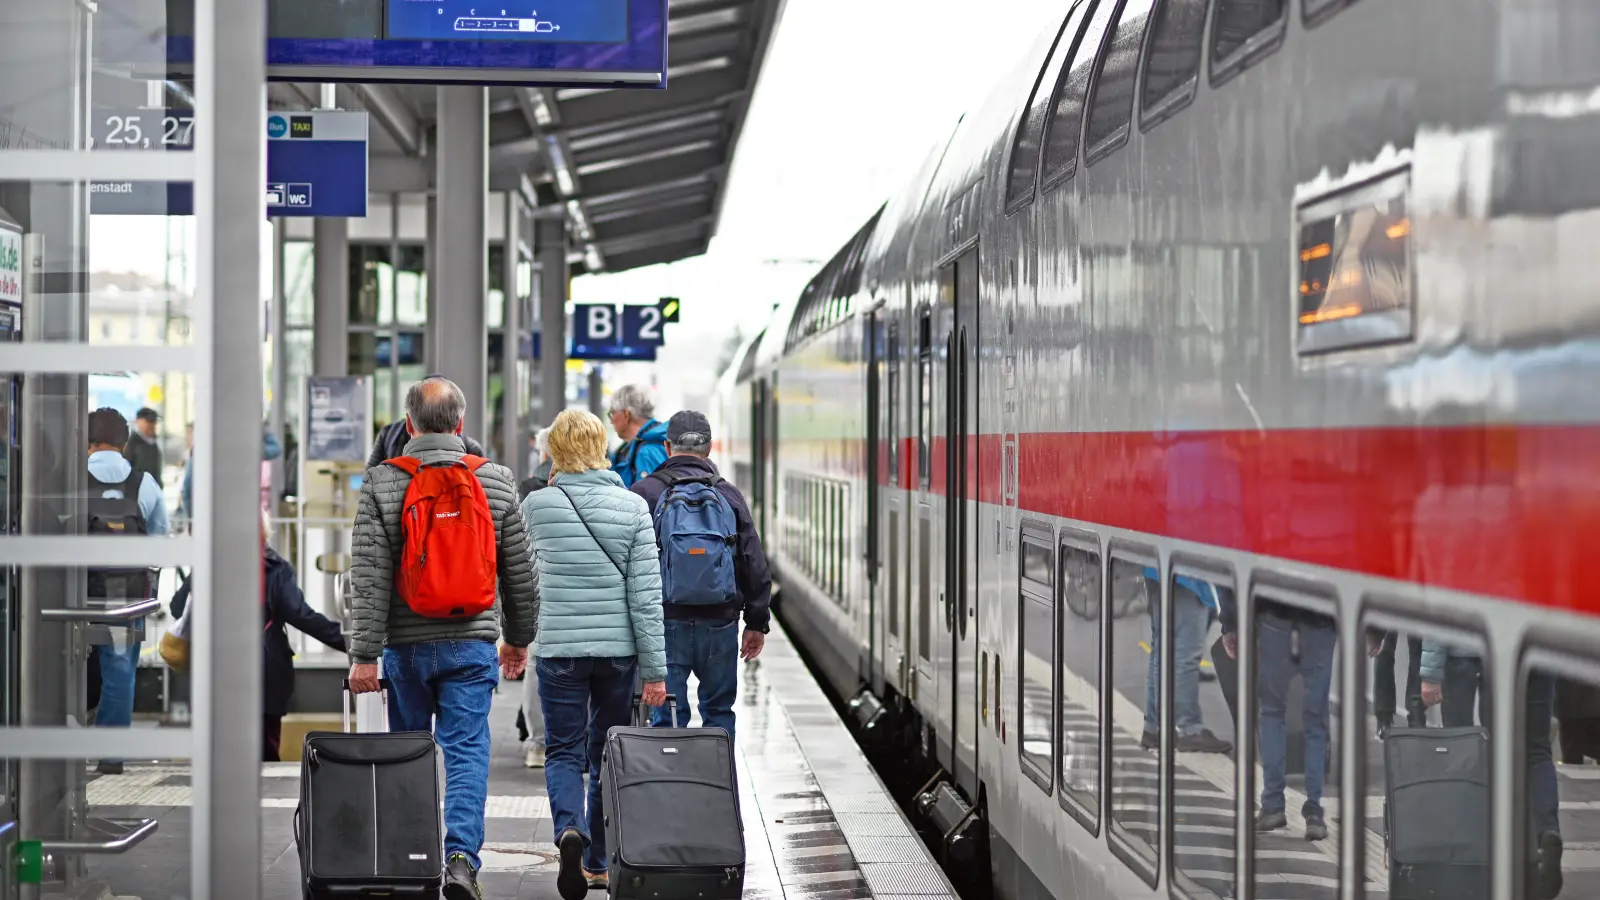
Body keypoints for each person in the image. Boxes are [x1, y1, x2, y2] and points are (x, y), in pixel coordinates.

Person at [347, 376, 540, 900]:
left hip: (406, 648)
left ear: (409, 425)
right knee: (467, 753)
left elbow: (369, 576)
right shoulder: (495, 480)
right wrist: (518, 639)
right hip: (471, 644)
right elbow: (521, 573)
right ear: (461, 423)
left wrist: (364, 655)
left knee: (408, 752)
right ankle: (460, 861)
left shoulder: (383, 481)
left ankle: (411, 859)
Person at [520, 409, 666, 900]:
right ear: (602, 447)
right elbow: (646, 598)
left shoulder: (537, 506)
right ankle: (598, 862)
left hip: (559, 649)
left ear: (555, 451)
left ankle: (569, 828)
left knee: (563, 750)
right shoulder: (633, 507)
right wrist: (655, 672)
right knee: (606, 750)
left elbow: (522, 581)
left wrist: (513, 639)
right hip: (617, 654)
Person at [630, 410, 771, 742]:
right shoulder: (729, 495)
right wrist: (756, 622)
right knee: (719, 712)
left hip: (664, 622)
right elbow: (754, 562)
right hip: (720, 622)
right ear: (708, 449)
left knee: (667, 713)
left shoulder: (643, 493)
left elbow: (627, 564)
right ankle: (718, 775)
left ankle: (670, 774)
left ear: (667, 447)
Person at [1419, 643, 1564, 899]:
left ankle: (1483, 850)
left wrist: (1430, 672)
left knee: (1489, 750)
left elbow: (1438, 620)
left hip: (1488, 652)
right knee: (1538, 752)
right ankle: (1547, 832)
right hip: (1541, 650)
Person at [85, 407, 171, 775]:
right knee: (119, 672)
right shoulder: (144, 483)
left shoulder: (70, 477)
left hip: (74, 591)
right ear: (123, 443)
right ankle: (110, 756)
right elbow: (160, 539)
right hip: (126, 595)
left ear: (87, 441)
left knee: (61, 664)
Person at [260, 510, 347, 761]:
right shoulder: (275, 568)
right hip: (266, 668)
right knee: (265, 747)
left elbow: (180, 605)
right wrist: (350, 641)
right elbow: (300, 615)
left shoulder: (213, 560)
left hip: (220, 669)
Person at [1254, 601, 1336, 842]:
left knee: (1272, 711)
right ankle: (1314, 811)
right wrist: (1375, 631)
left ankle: (1272, 805)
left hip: (1275, 619)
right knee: (1315, 718)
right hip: (1321, 621)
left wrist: (1231, 623)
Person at [1138, 572, 1232, 754]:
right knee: (1186, 652)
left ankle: (1154, 726)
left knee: (1162, 647)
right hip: (1189, 577)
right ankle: (1188, 728)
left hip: (1156, 570)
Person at [367, 374, 487, 468]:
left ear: (409, 423)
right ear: (460, 423)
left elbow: (370, 475)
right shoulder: (473, 452)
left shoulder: (390, 434)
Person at [606, 384, 668, 488]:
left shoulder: (647, 451)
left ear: (626, 414)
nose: (611, 421)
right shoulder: (634, 446)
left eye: (612, 413)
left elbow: (650, 495)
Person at [123, 406, 165, 487]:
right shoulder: (131, 445)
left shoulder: (153, 444)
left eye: (154, 421)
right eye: (149, 421)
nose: (152, 425)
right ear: (138, 421)